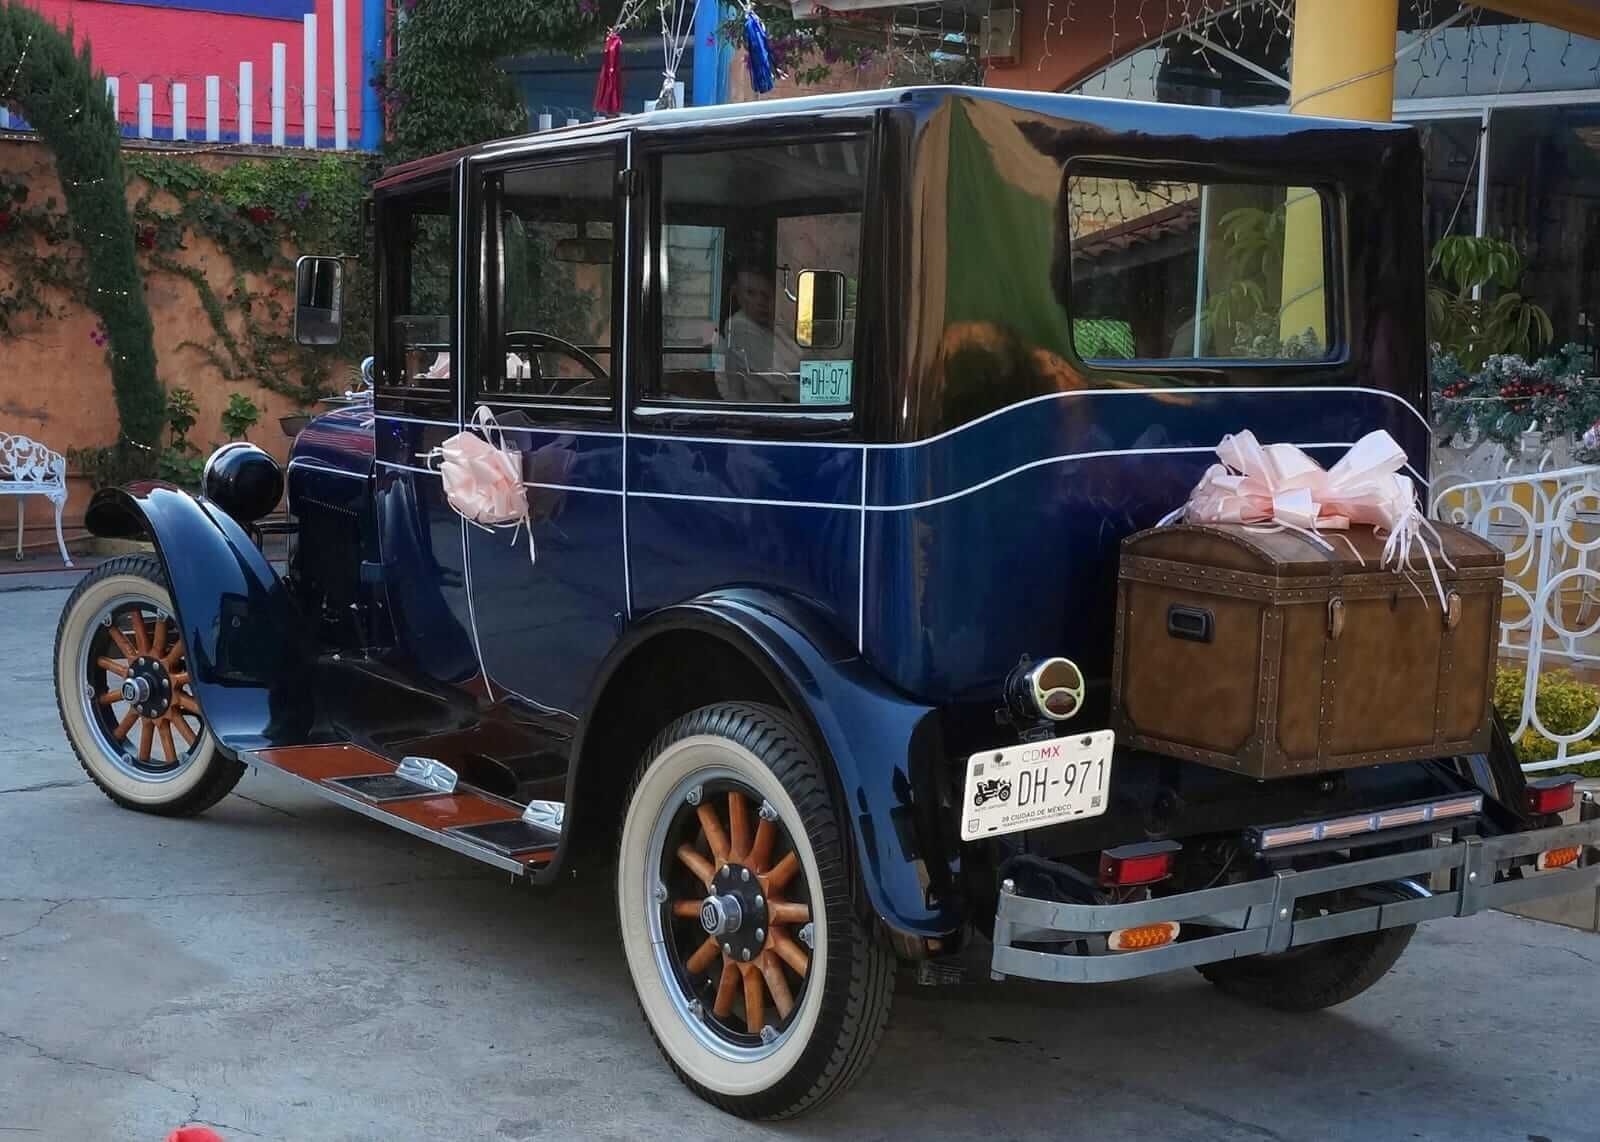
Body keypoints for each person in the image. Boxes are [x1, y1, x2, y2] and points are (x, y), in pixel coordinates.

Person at [718, 264, 802, 403]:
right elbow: (779, 379)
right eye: (750, 293)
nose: (760, 301)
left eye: (765, 295)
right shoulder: (740, 326)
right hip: (759, 410)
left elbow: (798, 360)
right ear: (736, 294)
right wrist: (813, 397)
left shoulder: (769, 325)